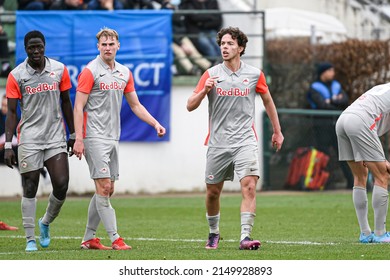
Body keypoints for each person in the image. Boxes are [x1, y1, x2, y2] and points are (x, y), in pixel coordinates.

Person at [187, 27, 284, 250]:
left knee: (249, 186)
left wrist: (277, 131)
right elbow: (190, 105)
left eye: (230, 44)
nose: (225, 47)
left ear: (240, 48)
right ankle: (213, 233)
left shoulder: (254, 74)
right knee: (213, 192)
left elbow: (268, 101)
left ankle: (245, 237)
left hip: (245, 141)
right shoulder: (210, 74)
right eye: (222, 43)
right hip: (218, 143)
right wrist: (203, 92)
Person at [73, 27, 166, 250]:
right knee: (104, 187)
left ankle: (88, 239)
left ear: (118, 46)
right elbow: (78, 106)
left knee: (107, 189)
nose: (107, 47)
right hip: (93, 136)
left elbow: (135, 104)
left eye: (111, 44)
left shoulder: (124, 72)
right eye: (103, 44)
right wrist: (78, 138)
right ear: (98, 47)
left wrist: (154, 123)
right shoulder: (90, 71)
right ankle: (115, 238)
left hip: (113, 137)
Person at [4, 30, 75, 252]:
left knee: (62, 185)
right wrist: (9, 144)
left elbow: (66, 103)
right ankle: (30, 239)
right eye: (31, 47)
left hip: (55, 136)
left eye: (39, 47)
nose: (36, 51)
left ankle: (45, 222)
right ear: (25, 49)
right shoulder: (16, 75)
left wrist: (73, 134)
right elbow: (12, 113)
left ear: (44, 46)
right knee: (30, 186)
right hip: (30, 139)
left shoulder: (59, 69)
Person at [335, 83, 390, 243]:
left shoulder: (383, 87)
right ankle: (380, 234)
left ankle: (365, 233)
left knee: (360, 176)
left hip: (343, 120)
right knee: (383, 177)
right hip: (360, 122)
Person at [307, 62, 353, 189]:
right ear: (323, 73)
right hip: (321, 127)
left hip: (337, 126)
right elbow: (321, 105)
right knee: (323, 156)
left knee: (343, 155)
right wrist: (335, 101)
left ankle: (351, 183)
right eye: (330, 70)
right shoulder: (314, 87)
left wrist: (331, 100)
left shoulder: (336, 85)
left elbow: (344, 100)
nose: (332, 73)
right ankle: (322, 184)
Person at [162, 0, 211, 75]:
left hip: (181, 36)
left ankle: (209, 67)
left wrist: (182, 42)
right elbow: (169, 30)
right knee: (180, 52)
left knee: (193, 51)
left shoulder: (178, 7)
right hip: (170, 39)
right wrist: (181, 44)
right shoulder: (164, 11)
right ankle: (192, 70)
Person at [180, 0, 222, 64]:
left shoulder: (212, 1)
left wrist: (202, 23)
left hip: (211, 28)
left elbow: (217, 18)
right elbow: (194, 17)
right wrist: (209, 17)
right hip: (196, 31)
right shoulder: (189, 2)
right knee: (206, 44)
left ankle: (224, 63)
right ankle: (217, 64)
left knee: (217, 42)